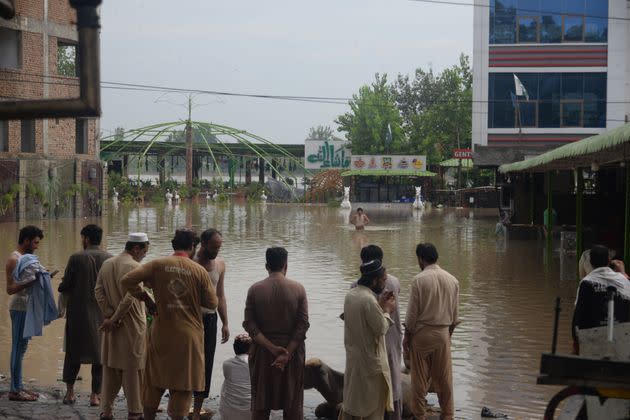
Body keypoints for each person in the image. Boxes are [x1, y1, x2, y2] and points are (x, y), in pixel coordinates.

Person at [121, 229, 217, 420]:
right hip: (188, 337)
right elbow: (212, 303)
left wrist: (147, 300)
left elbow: (127, 280)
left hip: (161, 332)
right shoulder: (199, 271)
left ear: (174, 245)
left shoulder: (157, 264)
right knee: (183, 385)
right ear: (192, 247)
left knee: (154, 381)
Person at [243, 247, 310, 420]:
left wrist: (272, 348)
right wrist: (286, 353)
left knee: (260, 403)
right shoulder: (299, 289)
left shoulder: (254, 290)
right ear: (285, 266)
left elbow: (250, 325)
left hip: (263, 354)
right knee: (293, 403)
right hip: (292, 355)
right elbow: (302, 326)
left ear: (267, 266)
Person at [95, 233, 150, 420]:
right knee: (133, 371)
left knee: (111, 369)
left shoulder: (107, 264)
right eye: (144, 252)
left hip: (112, 326)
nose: (144, 256)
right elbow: (131, 296)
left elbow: (98, 291)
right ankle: (135, 411)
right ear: (136, 248)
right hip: (131, 326)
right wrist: (116, 317)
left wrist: (109, 313)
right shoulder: (135, 267)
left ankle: (106, 410)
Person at [58, 224, 112, 406]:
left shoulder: (75, 258)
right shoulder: (109, 259)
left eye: (82, 238)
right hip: (102, 314)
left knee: (73, 353)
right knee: (100, 355)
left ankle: (70, 393)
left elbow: (65, 285)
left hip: (78, 314)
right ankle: (95, 396)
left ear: (86, 239)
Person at [404, 243, 459, 420]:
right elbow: (455, 316)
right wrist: (447, 336)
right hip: (443, 334)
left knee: (418, 381)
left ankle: (419, 415)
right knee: (444, 379)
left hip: (421, 336)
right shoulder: (452, 280)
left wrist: (407, 337)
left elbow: (412, 316)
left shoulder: (419, 280)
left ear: (420, 259)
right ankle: (448, 415)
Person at [350, 245, 402, 420]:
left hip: (374, 346)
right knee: (391, 388)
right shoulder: (392, 282)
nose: (385, 279)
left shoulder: (354, 289)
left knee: (374, 390)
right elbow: (378, 324)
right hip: (383, 342)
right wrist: (384, 308)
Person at [340, 259, 396, 420]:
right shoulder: (368, 300)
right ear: (374, 280)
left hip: (355, 364)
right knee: (372, 412)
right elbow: (380, 329)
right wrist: (387, 310)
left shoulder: (351, 295)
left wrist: (380, 305)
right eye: (383, 280)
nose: (385, 284)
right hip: (371, 366)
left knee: (356, 407)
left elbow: (365, 320)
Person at [5, 225, 50, 402]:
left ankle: (19, 387)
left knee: (22, 348)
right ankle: (14, 391)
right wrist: (31, 283)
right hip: (19, 307)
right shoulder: (14, 259)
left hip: (26, 307)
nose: (37, 246)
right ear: (26, 241)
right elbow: (9, 290)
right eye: (35, 242)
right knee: (17, 347)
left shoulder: (25, 258)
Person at [192, 228, 230, 420]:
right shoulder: (190, 262)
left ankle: (196, 411)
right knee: (186, 361)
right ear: (203, 244)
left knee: (206, 363)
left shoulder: (220, 264)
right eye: (213, 247)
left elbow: (220, 295)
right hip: (190, 319)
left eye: (219, 247)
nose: (216, 251)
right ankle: (180, 405)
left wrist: (225, 323)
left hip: (210, 319)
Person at [572, 244, 630, 353]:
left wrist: (576, 343)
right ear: (609, 261)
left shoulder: (586, 283)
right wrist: (622, 272)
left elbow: (578, 317)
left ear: (590, 262)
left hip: (592, 340)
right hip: (622, 339)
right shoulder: (624, 280)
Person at [219, 334, 253, 420]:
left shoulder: (227, 364)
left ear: (234, 348)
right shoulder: (254, 364)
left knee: (226, 384)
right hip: (251, 413)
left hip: (229, 414)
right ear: (251, 349)